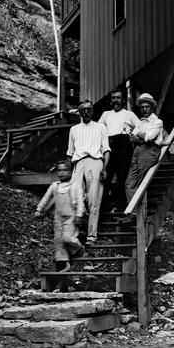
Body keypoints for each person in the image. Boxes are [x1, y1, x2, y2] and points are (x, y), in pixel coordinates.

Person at [67, 100, 111, 247]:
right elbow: (70, 153)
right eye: (83, 110)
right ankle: (77, 234)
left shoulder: (100, 127)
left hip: (95, 162)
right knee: (75, 199)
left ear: (92, 112)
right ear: (79, 112)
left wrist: (104, 168)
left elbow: (106, 150)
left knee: (94, 201)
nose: (86, 112)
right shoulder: (73, 129)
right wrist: (68, 171)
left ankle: (91, 237)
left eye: (89, 109)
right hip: (78, 163)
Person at [35, 159, 85, 272]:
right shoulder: (55, 186)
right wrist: (39, 209)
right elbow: (46, 198)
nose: (62, 172)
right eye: (60, 170)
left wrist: (79, 215)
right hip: (58, 218)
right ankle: (65, 264)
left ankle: (79, 250)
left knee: (67, 238)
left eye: (65, 170)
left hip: (71, 218)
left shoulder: (75, 185)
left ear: (70, 172)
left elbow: (80, 202)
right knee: (59, 242)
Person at [99, 90, 139, 213]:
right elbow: (98, 129)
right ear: (111, 100)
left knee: (122, 178)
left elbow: (139, 126)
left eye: (118, 97)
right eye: (114, 98)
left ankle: (120, 207)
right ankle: (103, 207)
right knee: (106, 178)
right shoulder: (106, 114)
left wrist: (133, 134)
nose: (116, 100)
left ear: (123, 100)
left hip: (124, 147)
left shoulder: (129, 114)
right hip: (110, 147)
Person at [125, 93, 166, 203]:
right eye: (142, 107)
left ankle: (139, 212)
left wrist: (141, 135)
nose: (144, 109)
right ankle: (133, 210)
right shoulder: (140, 121)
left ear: (152, 107)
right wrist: (143, 136)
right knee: (129, 183)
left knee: (140, 182)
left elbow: (149, 138)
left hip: (150, 151)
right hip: (137, 151)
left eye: (147, 107)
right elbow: (132, 138)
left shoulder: (157, 122)